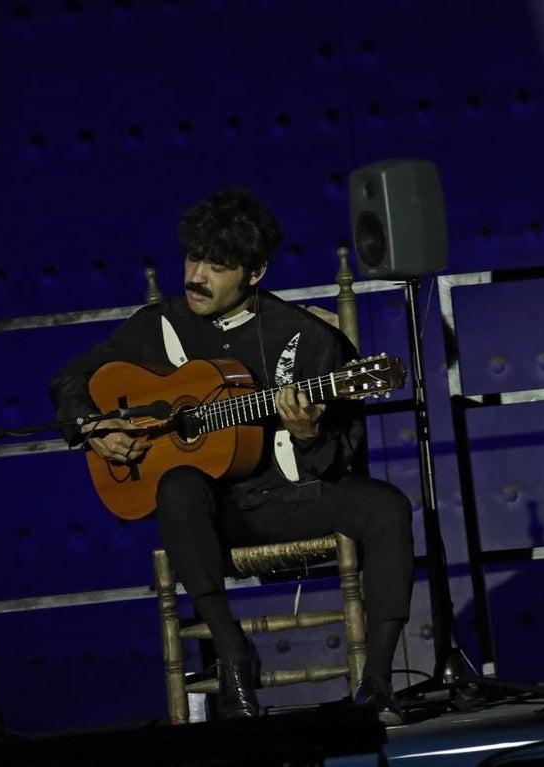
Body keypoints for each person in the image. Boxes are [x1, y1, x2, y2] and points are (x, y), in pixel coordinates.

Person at [49, 187, 414, 726]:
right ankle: (233, 654)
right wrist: (93, 426)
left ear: (255, 272)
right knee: (176, 485)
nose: (197, 276)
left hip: (290, 498)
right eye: (193, 259)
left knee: (387, 507)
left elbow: (342, 457)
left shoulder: (306, 337)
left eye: (217, 268)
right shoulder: (160, 326)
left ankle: (377, 683)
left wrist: (308, 433)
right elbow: (70, 379)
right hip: (211, 520)